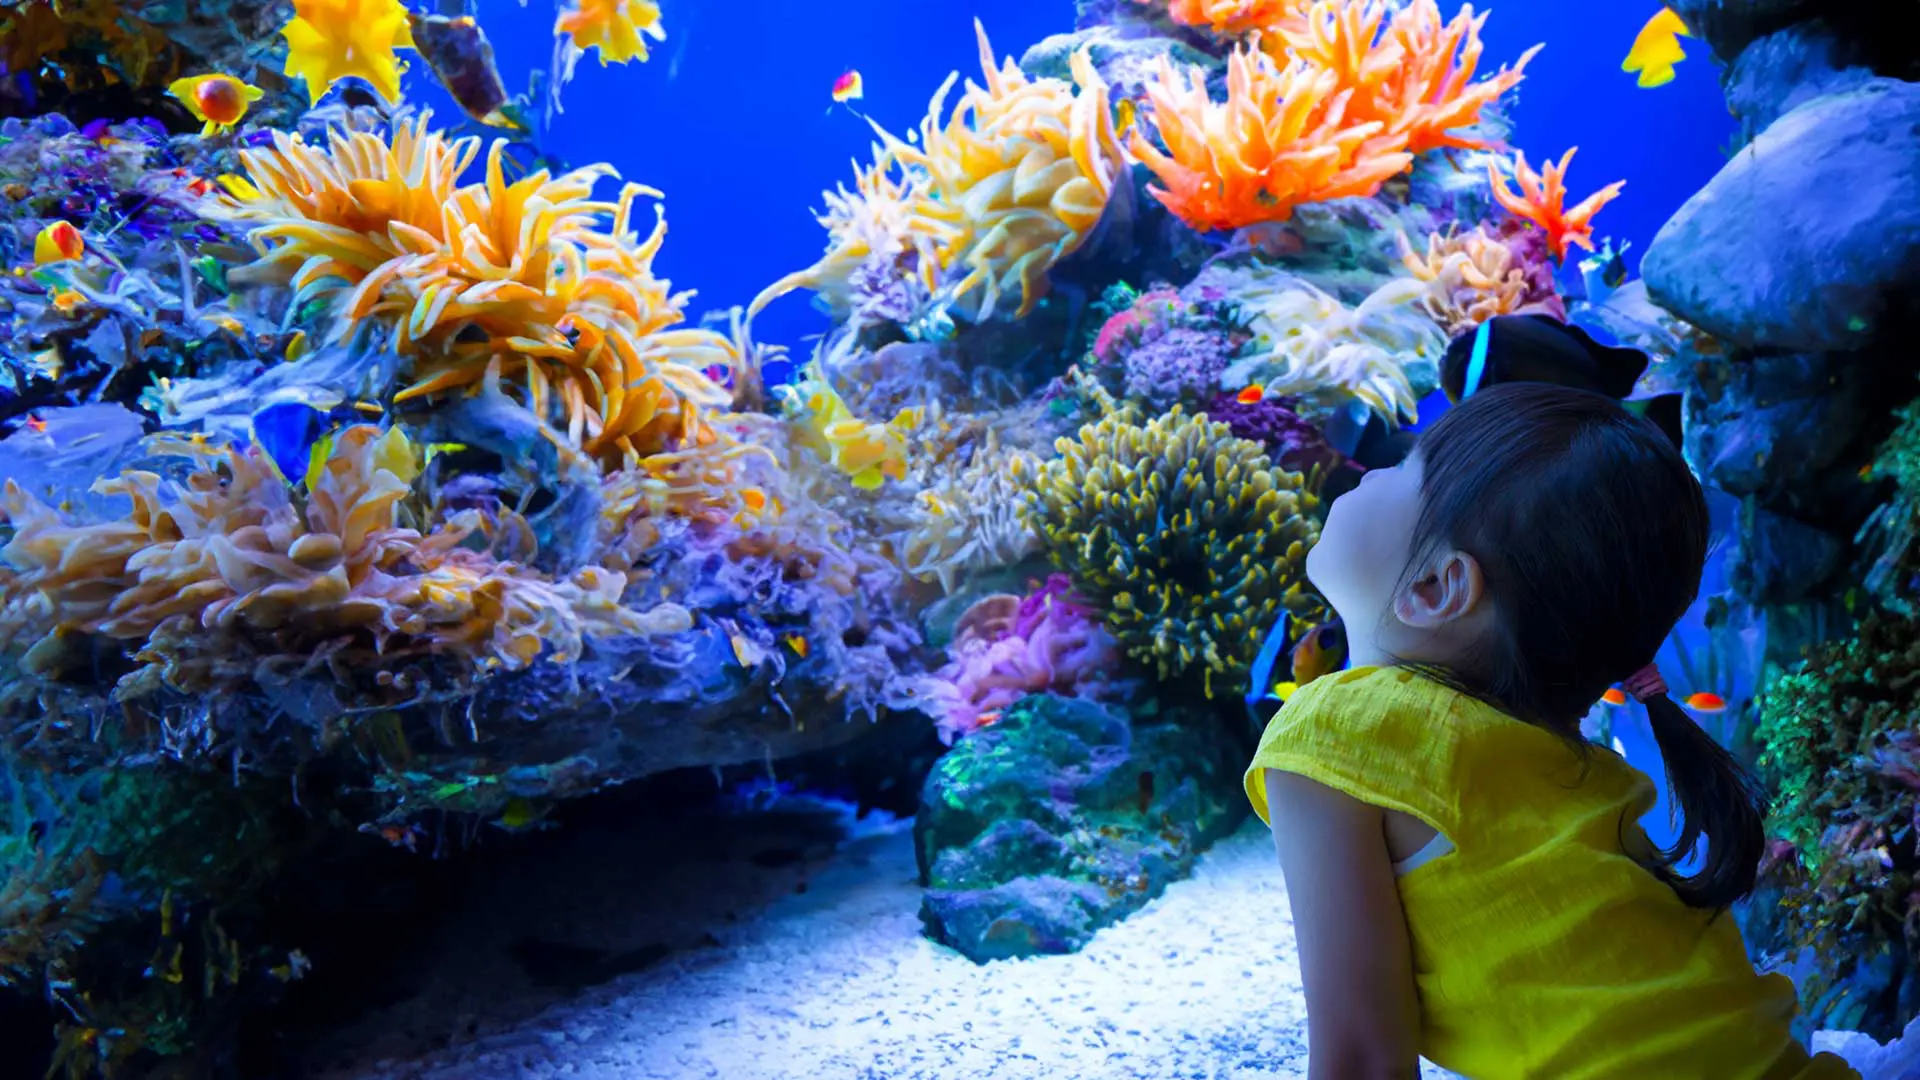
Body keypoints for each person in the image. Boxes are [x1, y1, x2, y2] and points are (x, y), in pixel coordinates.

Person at [1244, 381, 1857, 1079]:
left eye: (1407, 465)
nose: (1377, 469)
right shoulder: (1556, 752)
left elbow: (1363, 1061)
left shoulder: (1332, 735)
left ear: (1435, 590)